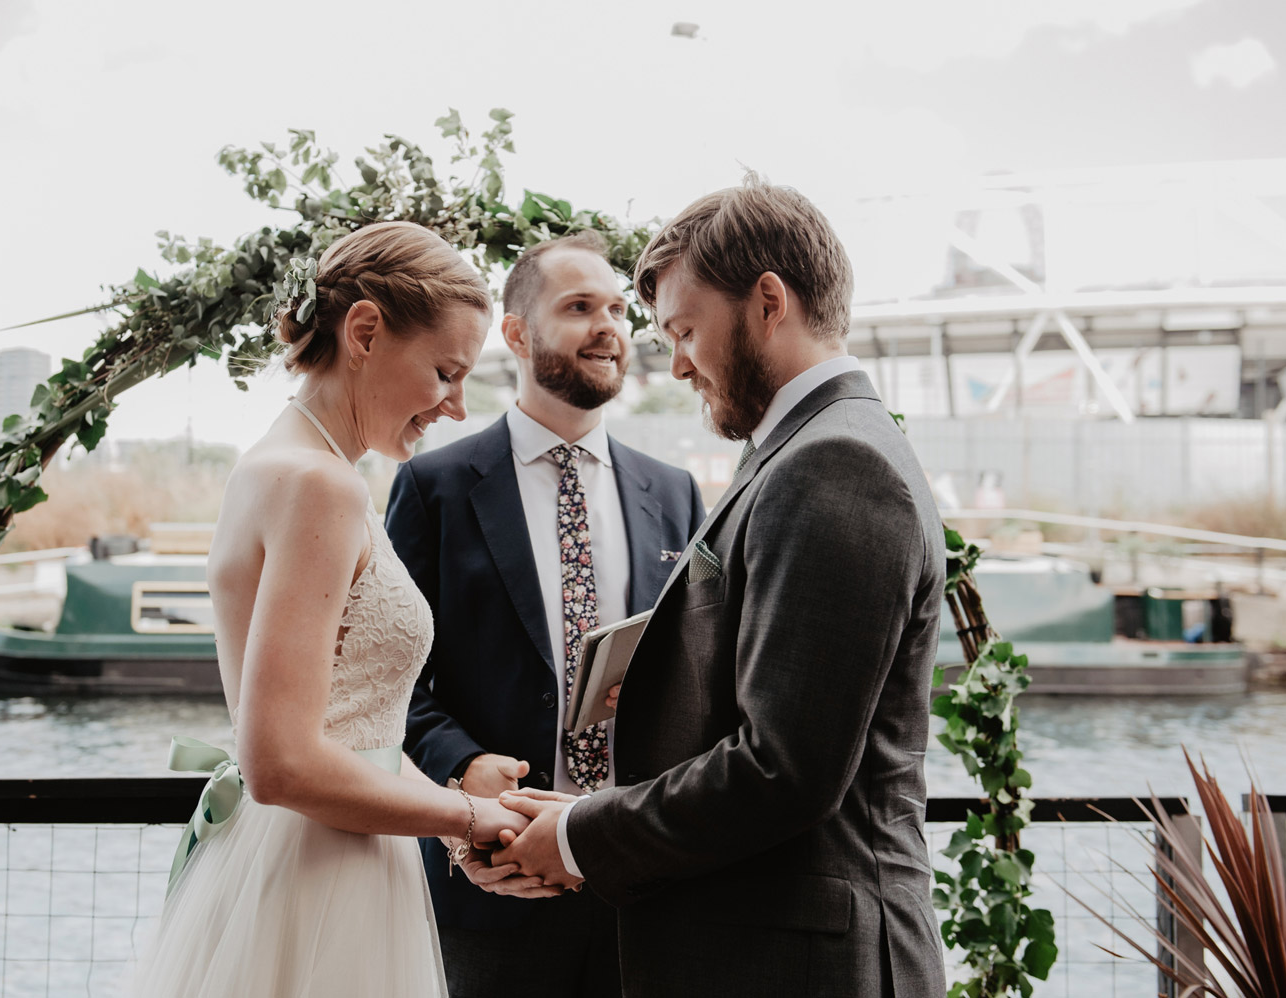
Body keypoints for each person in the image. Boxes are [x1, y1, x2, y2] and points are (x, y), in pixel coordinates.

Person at [494, 178, 949, 997]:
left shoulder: (835, 465)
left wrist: (578, 834)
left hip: (807, 966)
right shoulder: (801, 450)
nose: (673, 363)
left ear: (768, 302)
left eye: (687, 329)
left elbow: (783, 768)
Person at [132, 221, 530, 998]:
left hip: (323, 856)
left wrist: (459, 806)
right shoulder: (320, 485)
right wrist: (463, 820)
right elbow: (281, 762)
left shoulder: (288, 467)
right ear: (366, 331)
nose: (453, 407)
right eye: (446, 372)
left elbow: (359, 731)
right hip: (317, 880)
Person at [386, 231, 705, 998]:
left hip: (638, 884)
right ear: (519, 333)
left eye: (619, 310)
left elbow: (702, 667)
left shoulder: (676, 492)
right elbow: (388, 678)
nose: (609, 327)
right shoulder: (433, 487)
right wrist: (460, 763)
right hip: (491, 890)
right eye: (579, 307)